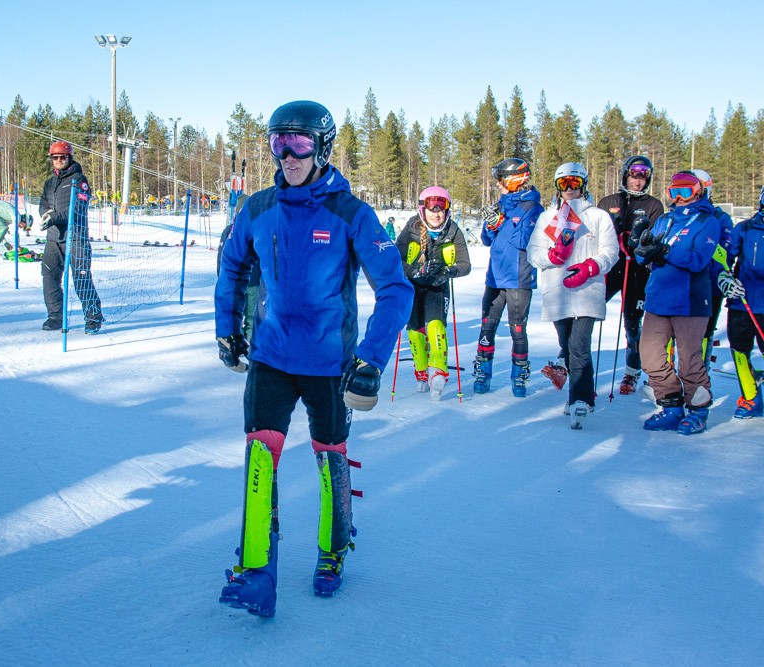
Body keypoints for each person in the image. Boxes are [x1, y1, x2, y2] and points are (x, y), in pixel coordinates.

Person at [214, 100, 411, 617]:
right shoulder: (258, 208)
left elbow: (396, 289)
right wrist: (227, 330)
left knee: (329, 458)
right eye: (278, 143)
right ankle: (256, 570)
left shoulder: (351, 213)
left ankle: (333, 549)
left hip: (330, 364)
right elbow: (231, 265)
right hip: (272, 357)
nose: (288, 155)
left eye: (299, 143)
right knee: (261, 457)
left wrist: (370, 361)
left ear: (322, 147)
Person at [527, 163, 618, 428]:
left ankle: (580, 399)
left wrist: (591, 266)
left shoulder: (598, 217)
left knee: (579, 346)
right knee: (567, 345)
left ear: (583, 185)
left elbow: (610, 251)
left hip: (587, 291)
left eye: (574, 183)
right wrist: (552, 256)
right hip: (558, 293)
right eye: (563, 183)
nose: (569, 188)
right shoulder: (548, 218)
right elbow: (533, 253)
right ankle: (582, 393)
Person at [634, 170, 723, 435]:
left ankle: (698, 410)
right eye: (674, 191)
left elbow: (698, 261)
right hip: (658, 298)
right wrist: (641, 247)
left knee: (689, 361)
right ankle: (671, 405)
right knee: (650, 357)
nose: (679, 197)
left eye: (685, 191)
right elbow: (645, 258)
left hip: (690, 300)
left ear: (698, 191)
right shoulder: (665, 220)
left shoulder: (708, 221)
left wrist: (666, 251)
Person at [587, 156, 665, 395]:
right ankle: (568, 360)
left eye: (643, 177)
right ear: (625, 175)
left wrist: (640, 242)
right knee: (587, 311)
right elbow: (594, 233)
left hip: (637, 271)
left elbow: (654, 240)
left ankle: (632, 371)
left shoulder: (654, 205)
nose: (638, 182)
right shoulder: (609, 201)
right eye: (634, 176)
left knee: (632, 323)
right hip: (610, 268)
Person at [474, 157, 544, 397]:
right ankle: (483, 372)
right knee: (487, 326)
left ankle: (519, 375)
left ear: (515, 179)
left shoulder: (533, 207)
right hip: (495, 277)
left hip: (518, 279)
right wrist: (491, 225)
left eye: (500, 179)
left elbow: (525, 240)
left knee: (517, 329)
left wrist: (503, 223)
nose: (497, 184)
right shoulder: (501, 204)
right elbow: (486, 239)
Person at [396, 186, 471, 398]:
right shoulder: (411, 228)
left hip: (438, 286)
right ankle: (421, 371)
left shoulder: (452, 230)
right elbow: (395, 259)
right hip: (413, 286)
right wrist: (414, 270)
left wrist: (449, 271)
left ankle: (438, 370)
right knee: (414, 330)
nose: (437, 214)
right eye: (432, 209)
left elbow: (465, 264)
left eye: (441, 210)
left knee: (435, 326)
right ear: (423, 210)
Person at [38, 140, 104, 334]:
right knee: (49, 276)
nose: (58, 160)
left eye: (62, 157)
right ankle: (55, 317)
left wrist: (54, 217)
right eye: (55, 158)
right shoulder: (49, 183)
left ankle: (93, 318)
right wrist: (46, 215)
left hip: (76, 237)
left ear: (69, 158)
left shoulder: (79, 181)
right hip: (54, 238)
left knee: (81, 278)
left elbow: (77, 208)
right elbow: (43, 204)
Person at [720, 185, 764, 418]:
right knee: (740, 350)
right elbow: (724, 258)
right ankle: (751, 398)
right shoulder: (744, 228)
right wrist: (725, 278)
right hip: (742, 302)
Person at [691, 168, 734, 369]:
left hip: (710, 285)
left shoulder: (720, 218)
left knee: (705, 331)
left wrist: (720, 274)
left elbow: (727, 251)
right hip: (683, 283)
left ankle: (700, 371)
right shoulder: (677, 215)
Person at [216, 193, 258, 343]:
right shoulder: (229, 231)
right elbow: (223, 258)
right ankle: (236, 344)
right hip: (236, 283)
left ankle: (249, 347)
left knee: (251, 318)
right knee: (235, 317)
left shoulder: (256, 228)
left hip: (253, 283)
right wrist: (222, 277)